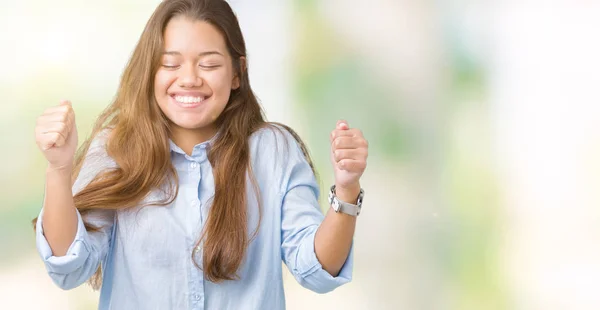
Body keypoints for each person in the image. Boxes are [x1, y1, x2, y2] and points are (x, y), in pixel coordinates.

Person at [33, 0, 368, 309]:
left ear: (237, 73)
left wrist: (347, 189)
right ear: (150, 71)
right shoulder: (115, 149)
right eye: (170, 64)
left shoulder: (272, 151)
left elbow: (317, 270)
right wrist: (59, 170)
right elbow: (69, 265)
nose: (189, 79)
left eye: (208, 64)